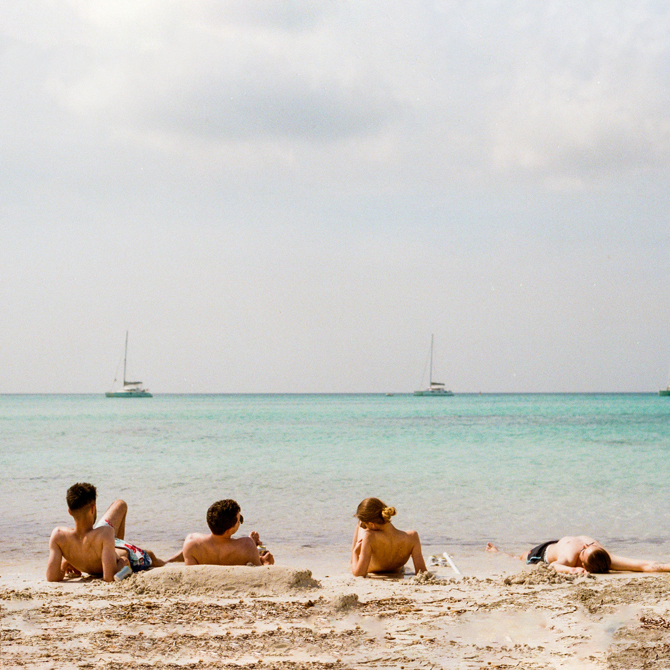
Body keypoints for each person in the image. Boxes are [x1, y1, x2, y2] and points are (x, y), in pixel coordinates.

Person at [47, 482, 176, 582]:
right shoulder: (105, 533)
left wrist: (63, 567)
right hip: (107, 544)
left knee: (120, 505)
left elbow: (52, 577)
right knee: (150, 557)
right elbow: (109, 578)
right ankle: (169, 561)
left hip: (98, 541)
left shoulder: (58, 535)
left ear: (69, 512)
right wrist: (121, 566)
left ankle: (112, 549)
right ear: (93, 509)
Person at [486, 536, 670, 574]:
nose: (586, 544)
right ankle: (498, 552)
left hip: (545, 552)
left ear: (583, 560)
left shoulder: (599, 557)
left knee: (520, 559)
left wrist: (573, 571)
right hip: (551, 548)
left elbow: (553, 565)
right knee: (518, 558)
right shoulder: (602, 555)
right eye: (589, 545)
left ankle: (496, 552)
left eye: (585, 549)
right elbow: (554, 565)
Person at [182, 499, 274, 566]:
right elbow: (260, 573)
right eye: (239, 520)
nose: (240, 522)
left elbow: (191, 573)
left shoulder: (191, 543)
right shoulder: (247, 546)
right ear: (229, 530)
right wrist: (266, 562)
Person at [350, 497, 427, 577]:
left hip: (372, 568)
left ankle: (352, 561)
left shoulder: (369, 537)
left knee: (360, 522)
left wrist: (355, 553)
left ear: (372, 524)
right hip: (396, 568)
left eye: (364, 525)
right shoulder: (412, 536)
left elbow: (359, 573)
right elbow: (422, 572)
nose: (364, 527)